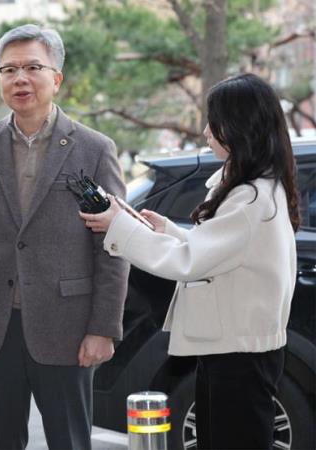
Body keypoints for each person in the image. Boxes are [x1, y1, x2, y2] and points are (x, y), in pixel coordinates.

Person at [80, 73, 299, 450]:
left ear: (239, 125)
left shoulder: (250, 196)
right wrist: (165, 229)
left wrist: (119, 226)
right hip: (236, 347)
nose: (206, 131)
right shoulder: (255, 187)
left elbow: (188, 262)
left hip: (238, 353)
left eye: (214, 121)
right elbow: (214, 252)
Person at [0, 24, 130, 449]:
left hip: (68, 327)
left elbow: (113, 247)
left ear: (56, 78)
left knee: (70, 441)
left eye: (32, 67)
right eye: (8, 70)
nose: (19, 79)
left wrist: (103, 328)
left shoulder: (94, 149)